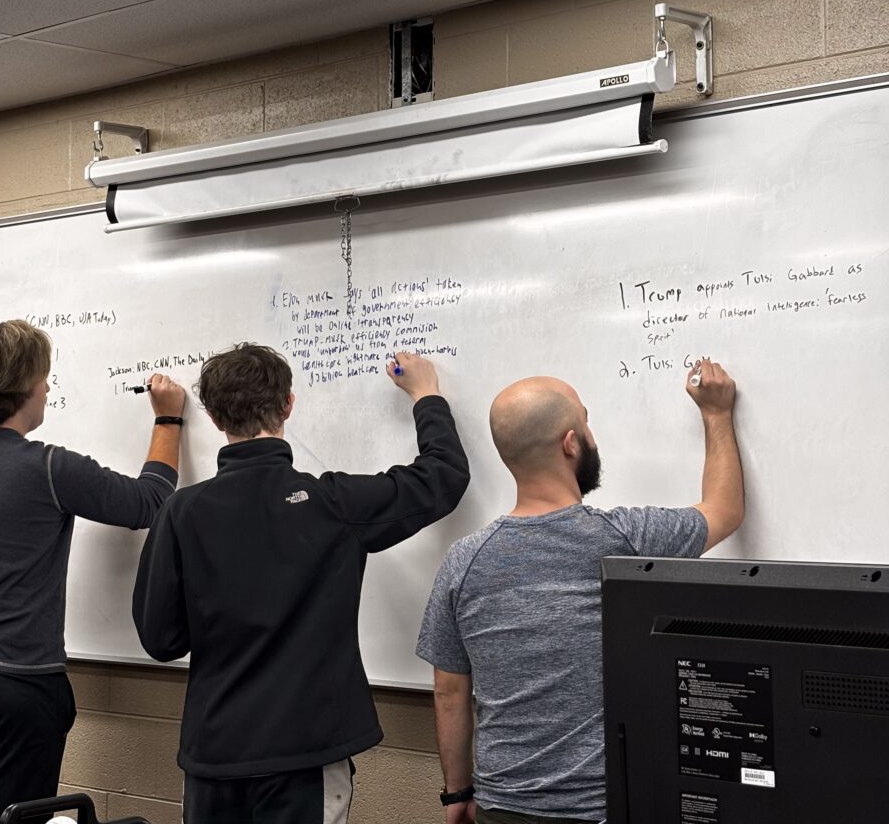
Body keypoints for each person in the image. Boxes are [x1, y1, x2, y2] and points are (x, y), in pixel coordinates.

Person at [132, 343, 470, 824]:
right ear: (289, 403)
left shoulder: (181, 512)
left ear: (212, 417)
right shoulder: (331, 504)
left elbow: (161, 640)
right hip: (307, 753)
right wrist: (426, 395)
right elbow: (444, 477)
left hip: (215, 752)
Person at [0, 319, 187, 824]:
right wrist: (168, 421)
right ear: (18, 387)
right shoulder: (48, 468)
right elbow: (150, 503)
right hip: (17, 691)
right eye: (43, 377)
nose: (48, 387)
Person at [417, 357, 744, 824]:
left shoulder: (463, 561)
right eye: (586, 423)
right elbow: (725, 510)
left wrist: (457, 793)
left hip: (500, 808)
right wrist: (716, 414)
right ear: (571, 444)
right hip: (603, 809)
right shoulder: (623, 539)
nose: (592, 436)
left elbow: (449, 691)